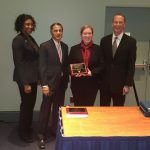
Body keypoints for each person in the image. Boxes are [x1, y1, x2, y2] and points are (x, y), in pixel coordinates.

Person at [37, 23, 69, 149]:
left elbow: (65, 66)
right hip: (49, 85)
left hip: (61, 85)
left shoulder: (65, 46)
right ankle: (40, 135)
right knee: (45, 110)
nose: (58, 33)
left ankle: (54, 131)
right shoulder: (44, 46)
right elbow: (42, 67)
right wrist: (44, 84)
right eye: (56, 30)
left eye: (60, 30)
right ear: (51, 32)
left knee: (58, 110)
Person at [12, 14, 39, 142]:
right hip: (25, 79)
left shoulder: (29, 38)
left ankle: (27, 127)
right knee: (26, 105)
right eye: (27, 24)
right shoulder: (18, 40)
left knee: (30, 104)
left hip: (32, 78)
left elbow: (34, 59)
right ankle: (23, 132)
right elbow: (19, 63)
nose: (29, 26)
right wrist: (25, 83)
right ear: (21, 25)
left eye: (31, 24)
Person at [99, 13, 136, 106]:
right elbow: (101, 62)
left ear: (124, 24)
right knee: (103, 112)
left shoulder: (131, 42)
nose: (118, 24)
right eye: (116, 22)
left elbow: (131, 65)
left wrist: (127, 84)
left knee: (118, 113)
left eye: (120, 22)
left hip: (121, 85)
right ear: (112, 24)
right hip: (105, 84)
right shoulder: (104, 40)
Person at [69, 25, 104, 106]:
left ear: (92, 34)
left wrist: (92, 72)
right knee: (78, 107)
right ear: (81, 35)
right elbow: (68, 65)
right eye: (85, 33)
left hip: (92, 84)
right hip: (77, 84)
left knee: (89, 108)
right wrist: (73, 72)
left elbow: (102, 65)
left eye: (89, 33)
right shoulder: (74, 49)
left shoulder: (98, 49)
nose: (87, 35)